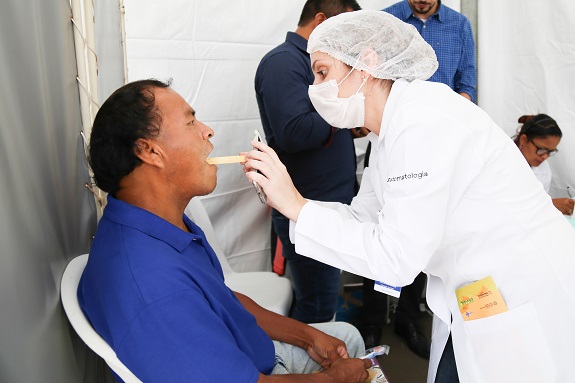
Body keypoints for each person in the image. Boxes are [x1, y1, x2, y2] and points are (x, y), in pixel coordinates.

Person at [243, 10, 575, 383]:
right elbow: (363, 218)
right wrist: (289, 201)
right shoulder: (388, 131)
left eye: (322, 73)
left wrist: (297, 206)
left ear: (365, 64)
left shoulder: (423, 122)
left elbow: (396, 259)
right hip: (475, 292)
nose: (314, 89)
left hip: (519, 286)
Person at [77, 79, 372, 383]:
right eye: (191, 121)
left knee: (346, 339)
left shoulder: (159, 225)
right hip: (257, 372)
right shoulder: (152, 288)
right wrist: (337, 380)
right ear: (149, 151)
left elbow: (222, 299)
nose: (207, 130)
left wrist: (308, 337)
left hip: (250, 352)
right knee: (353, 360)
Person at [358, 0, 479, 357]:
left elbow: (467, 83)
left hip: (435, 146)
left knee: (423, 234)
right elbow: (365, 76)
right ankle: (371, 320)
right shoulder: (387, 19)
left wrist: (449, 120)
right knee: (377, 227)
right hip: (388, 140)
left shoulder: (459, 26)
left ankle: (408, 318)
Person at [254, 0, 363, 324]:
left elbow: (319, 126)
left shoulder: (312, 60)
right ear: (319, 21)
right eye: (344, 30)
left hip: (327, 204)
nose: (349, 42)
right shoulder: (282, 63)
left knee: (321, 299)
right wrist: (342, 107)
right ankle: (309, 370)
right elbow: (294, 132)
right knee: (316, 304)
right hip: (308, 207)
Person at [514, 113, 574, 215]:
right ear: (523, 139)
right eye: (541, 149)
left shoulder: (544, 170)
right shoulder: (499, 160)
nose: (545, 156)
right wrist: (549, 205)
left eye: (550, 151)